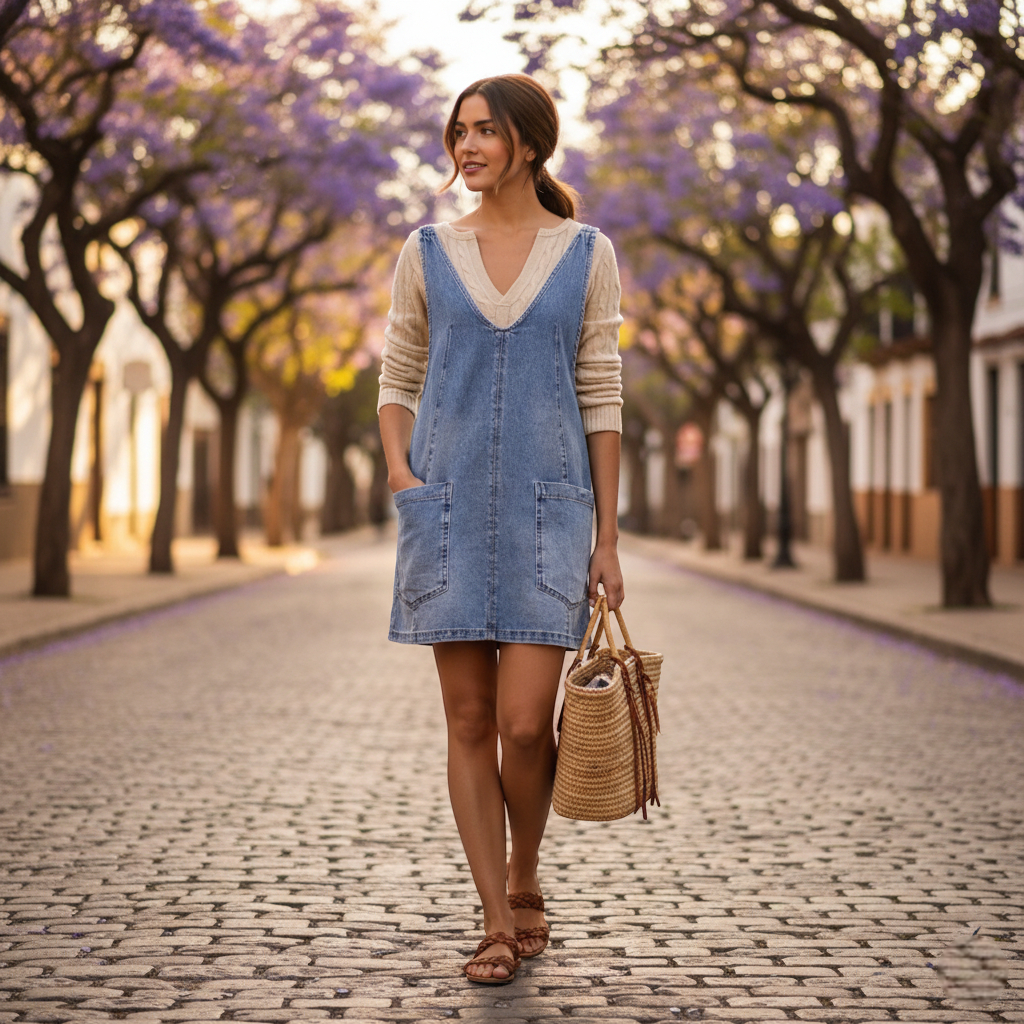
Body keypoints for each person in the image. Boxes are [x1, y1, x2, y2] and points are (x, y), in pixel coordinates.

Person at [377, 73, 624, 985]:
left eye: (485, 131)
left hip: (549, 513)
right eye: (459, 132)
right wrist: (403, 470)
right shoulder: (428, 249)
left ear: (529, 142)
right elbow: (398, 369)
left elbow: (601, 389)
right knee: (470, 717)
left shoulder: (586, 251)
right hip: (444, 511)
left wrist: (606, 536)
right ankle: (492, 916)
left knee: (527, 724)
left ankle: (527, 871)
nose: (466, 147)